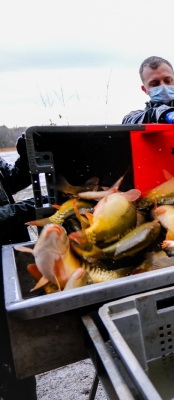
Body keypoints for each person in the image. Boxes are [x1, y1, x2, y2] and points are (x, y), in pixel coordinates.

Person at [0, 134, 38, 400]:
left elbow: (11, 181)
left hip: (6, 260)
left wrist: (26, 157)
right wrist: (28, 210)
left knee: (18, 358)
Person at [122, 56, 174, 135]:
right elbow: (127, 121)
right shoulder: (137, 117)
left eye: (168, 80)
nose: (163, 86)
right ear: (145, 90)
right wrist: (165, 113)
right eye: (155, 84)